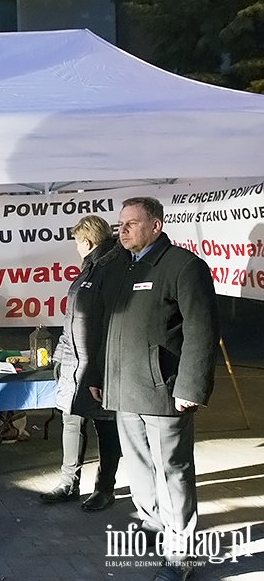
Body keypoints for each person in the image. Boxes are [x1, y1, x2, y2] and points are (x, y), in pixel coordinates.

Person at [100, 197, 218, 581]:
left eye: (133, 223)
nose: (124, 229)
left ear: (156, 226)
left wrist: (191, 387)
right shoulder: (120, 267)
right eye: (121, 224)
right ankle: (152, 525)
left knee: (173, 472)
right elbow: (112, 331)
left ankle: (180, 553)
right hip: (123, 390)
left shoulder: (183, 266)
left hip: (163, 392)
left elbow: (202, 329)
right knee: (138, 466)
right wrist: (103, 380)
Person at [40, 215, 122, 511]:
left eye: (77, 243)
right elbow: (72, 320)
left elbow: (111, 326)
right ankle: (68, 482)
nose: (76, 248)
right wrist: (62, 357)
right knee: (70, 422)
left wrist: (100, 371)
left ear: (87, 242)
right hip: (74, 365)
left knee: (105, 426)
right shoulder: (90, 269)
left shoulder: (109, 270)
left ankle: (104, 488)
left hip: (95, 369)